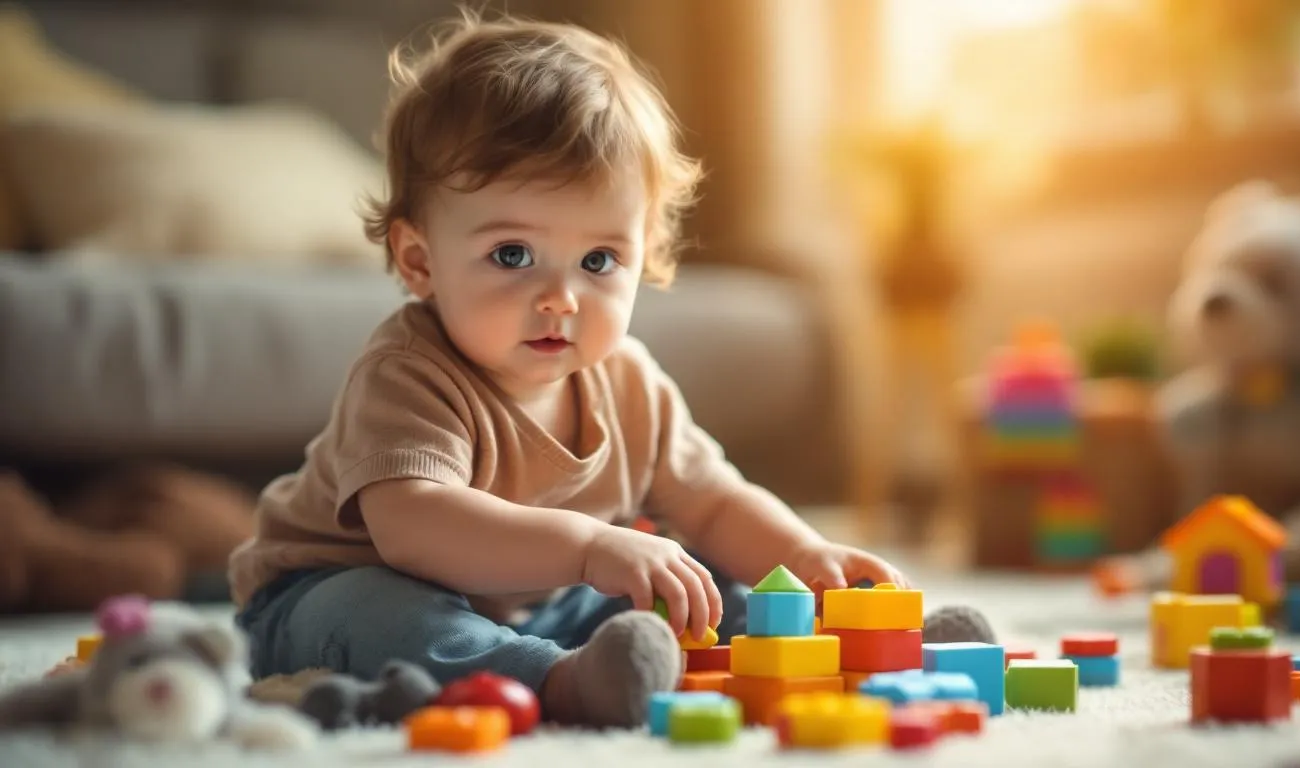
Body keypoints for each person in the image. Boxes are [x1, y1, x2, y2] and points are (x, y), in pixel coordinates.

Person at [227, 11, 907, 728]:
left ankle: (847, 642)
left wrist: (804, 556)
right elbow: (414, 526)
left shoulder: (629, 382)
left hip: (545, 601)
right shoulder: (408, 373)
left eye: (599, 260)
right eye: (513, 255)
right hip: (336, 591)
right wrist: (589, 546)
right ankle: (557, 681)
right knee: (380, 616)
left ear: (645, 255)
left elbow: (711, 502)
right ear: (420, 260)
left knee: (696, 580)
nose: (561, 298)